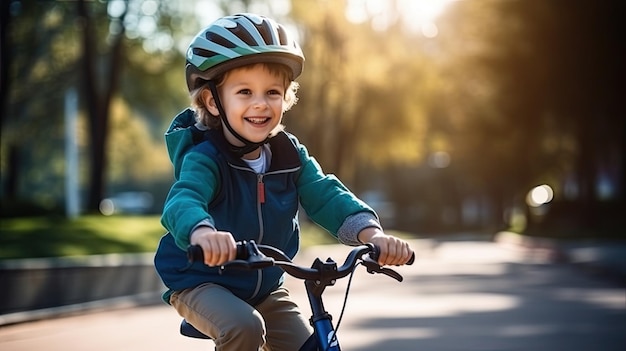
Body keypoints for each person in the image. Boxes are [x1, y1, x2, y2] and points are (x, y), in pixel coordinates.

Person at [154, 13, 414, 351]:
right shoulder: (206, 158)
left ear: (285, 97)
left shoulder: (288, 154)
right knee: (244, 327)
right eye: (244, 92)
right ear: (211, 102)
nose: (260, 103)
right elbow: (184, 200)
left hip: (265, 286)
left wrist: (373, 235)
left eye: (272, 92)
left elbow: (326, 195)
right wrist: (202, 233)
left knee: (307, 345)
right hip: (202, 280)